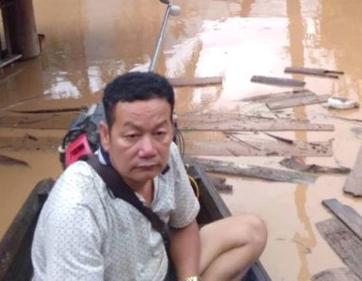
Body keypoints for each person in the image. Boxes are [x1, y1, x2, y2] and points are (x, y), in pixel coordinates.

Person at [31, 72, 267, 281]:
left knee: (252, 231)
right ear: (105, 135)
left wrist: (190, 279)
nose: (148, 150)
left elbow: (184, 224)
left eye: (159, 133)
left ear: (171, 129)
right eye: (132, 135)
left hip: (157, 264)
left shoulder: (169, 154)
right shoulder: (76, 210)